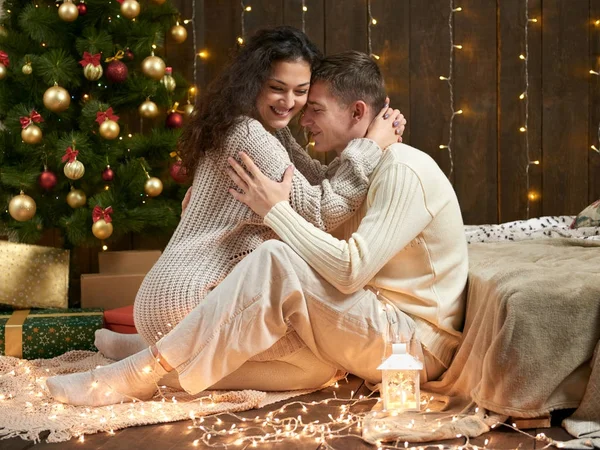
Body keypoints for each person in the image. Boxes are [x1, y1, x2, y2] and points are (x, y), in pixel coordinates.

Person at [45, 51, 466, 407]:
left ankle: (137, 371)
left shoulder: (403, 170)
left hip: (410, 344)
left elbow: (350, 269)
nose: (303, 119)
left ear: (357, 111)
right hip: (373, 323)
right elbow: (322, 207)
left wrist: (275, 211)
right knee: (310, 369)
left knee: (275, 259)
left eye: (313, 107)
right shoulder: (356, 168)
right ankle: (153, 362)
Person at [88, 26, 404, 392]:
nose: (290, 102)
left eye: (301, 92)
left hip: (171, 296)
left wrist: (368, 142)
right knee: (319, 368)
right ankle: (158, 372)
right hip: (194, 300)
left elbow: (316, 180)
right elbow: (321, 211)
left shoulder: (263, 128)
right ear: (254, 81)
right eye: (277, 88)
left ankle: (143, 348)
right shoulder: (249, 135)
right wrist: (372, 148)